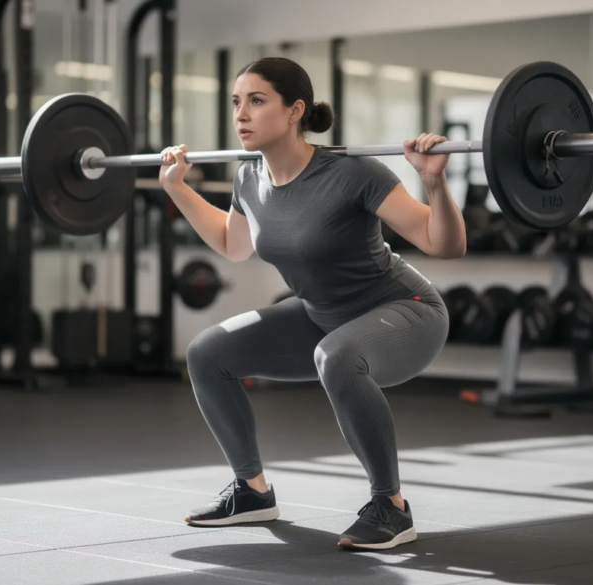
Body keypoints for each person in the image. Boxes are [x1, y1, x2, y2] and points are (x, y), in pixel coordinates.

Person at [158, 57, 466, 551]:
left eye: (257, 101)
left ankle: (391, 506)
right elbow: (233, 244)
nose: (241, 114)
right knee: (208, 352)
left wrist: (433, 182)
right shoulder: (249, 178)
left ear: (295, 110)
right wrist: (177, 188)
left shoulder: (352, 173)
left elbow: (444, 243)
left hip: (407, 311)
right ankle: (252, 492)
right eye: (236, 102)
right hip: (324, 318)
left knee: (336, 355)